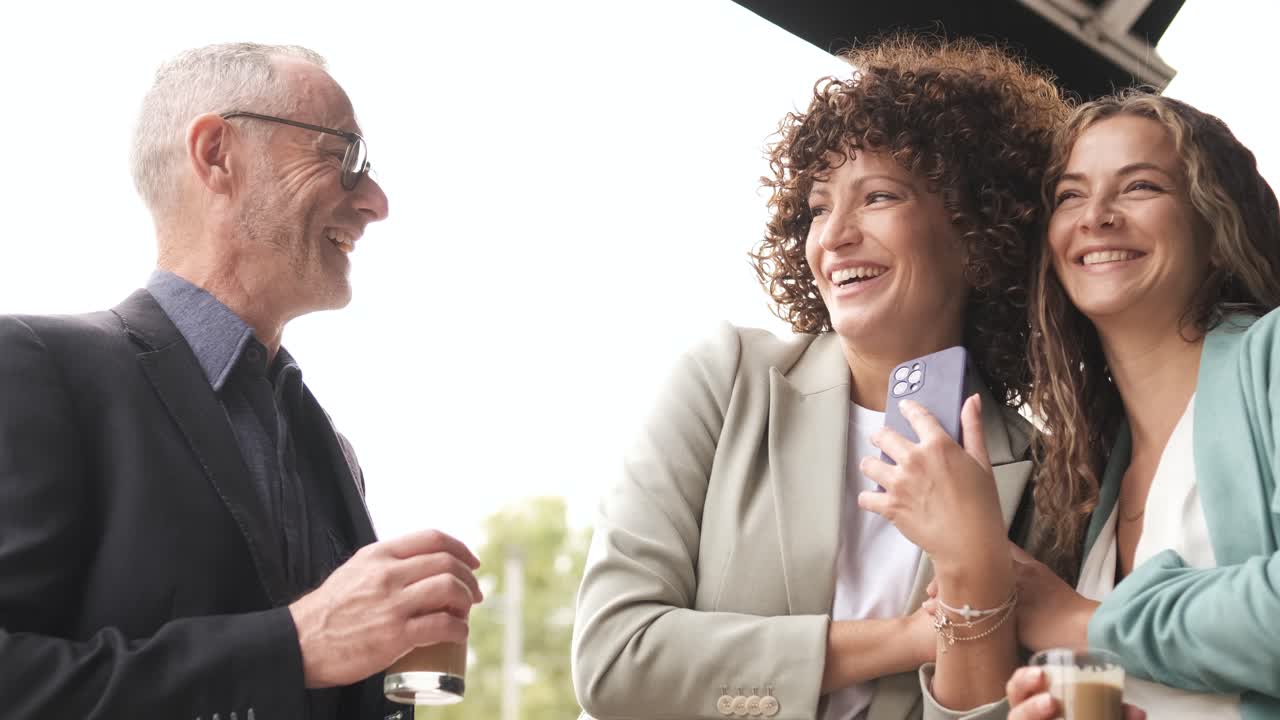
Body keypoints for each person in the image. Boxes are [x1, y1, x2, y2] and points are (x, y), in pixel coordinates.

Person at [572, 35, 1068, 720]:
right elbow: (614, 659)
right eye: (816, 207)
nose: (832, 236)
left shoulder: (1044, 476)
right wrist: (905, 638)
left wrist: (972, 576)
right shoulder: (726, 381)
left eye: (878, 197)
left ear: (976, 227)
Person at [0, 43, 481, 719]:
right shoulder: (36, 369)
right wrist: (293, 647)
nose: (375, 201)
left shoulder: (329, 447)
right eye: (344, 156)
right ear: (217, 154)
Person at [1004, 91, 1280, 720]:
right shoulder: (1089, 473)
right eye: (1070, 195)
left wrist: (1083, 623)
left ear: (1215, 229)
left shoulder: (1273, 356)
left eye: (1140, 187)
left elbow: (1088, 625)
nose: (1095, 216)